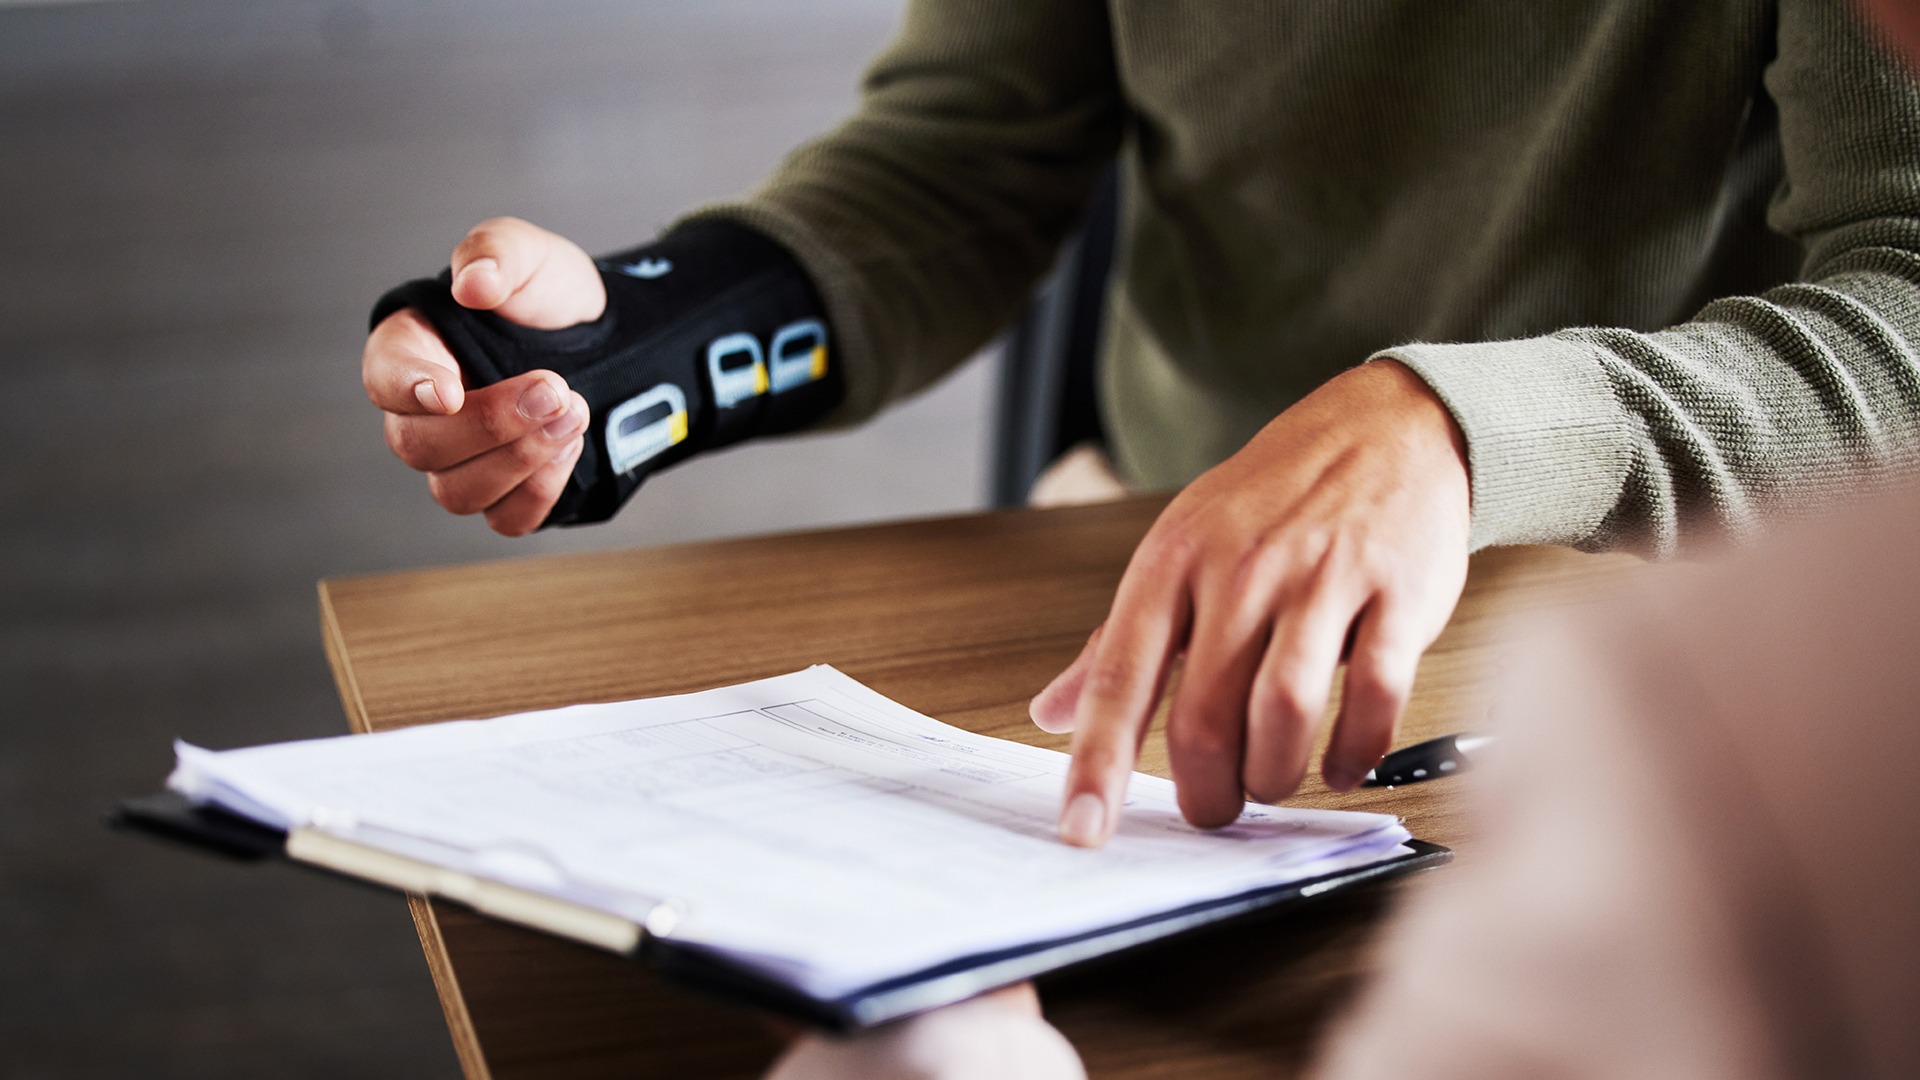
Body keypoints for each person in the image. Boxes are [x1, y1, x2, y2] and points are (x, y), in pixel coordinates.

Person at [360, 0, 1920, 853]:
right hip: (1149, 557)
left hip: (1669, 593)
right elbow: (961, 163)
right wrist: (630, 349)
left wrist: (1459, 431)